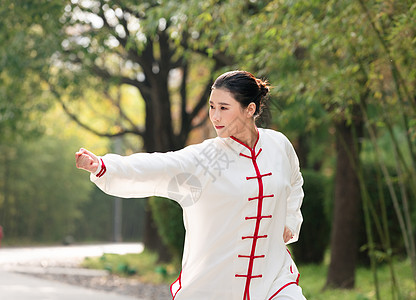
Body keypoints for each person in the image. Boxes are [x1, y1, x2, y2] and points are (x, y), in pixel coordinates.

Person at [76, 70, 306, 300]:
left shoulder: (279, 146)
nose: (214, 117)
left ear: (250, 109)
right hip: (217, 284)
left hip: (273, 278)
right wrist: (104, 166)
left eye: (224, 108)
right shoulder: (204, 159)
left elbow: (294, 181)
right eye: (212, 106)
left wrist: (290, 221)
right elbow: (158, 166)